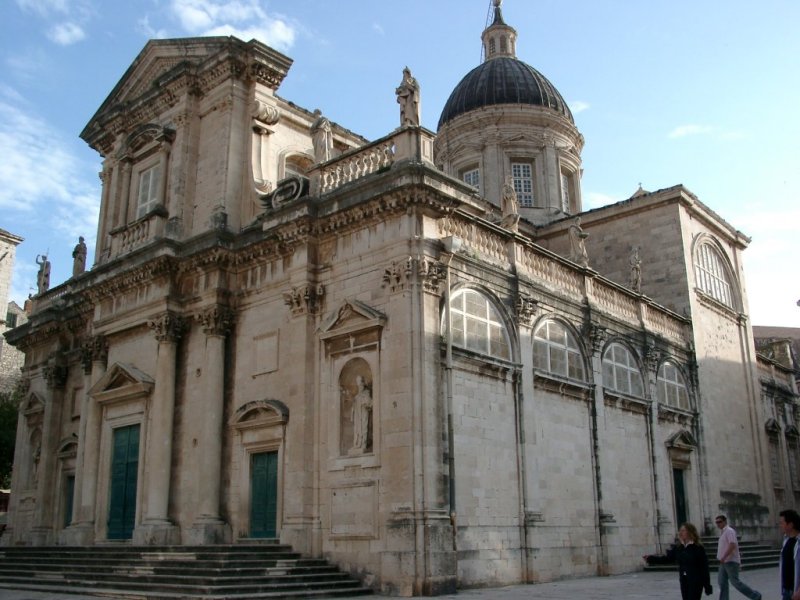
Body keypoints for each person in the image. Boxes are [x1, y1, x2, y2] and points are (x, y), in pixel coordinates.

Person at [645, 523, 712, 600]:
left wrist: (707, 585)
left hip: (695, 580)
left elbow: (704, 567)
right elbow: (668, 558)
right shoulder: (679, 547)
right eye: (680, 531)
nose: (681, 533)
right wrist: (651, 558)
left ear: (690, 532)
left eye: (683, 530)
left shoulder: (698, 548)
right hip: (684, 579)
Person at [715, 514, 762, 600]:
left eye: (720, 522)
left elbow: (732, 544)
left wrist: (724, 556)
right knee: (722, 582)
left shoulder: (729, 531)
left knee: (735, 582)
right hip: (724, 562)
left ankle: (755, 595)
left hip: (730, 561)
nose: (718, 524)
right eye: (717, 522)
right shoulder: (723, 532)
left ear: (725, 522)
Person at [779, 509, 800, 600]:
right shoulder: (786, 541)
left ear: (790, 525)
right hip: (786, 590)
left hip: (796, 591)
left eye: (782, 523)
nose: (780, 525)